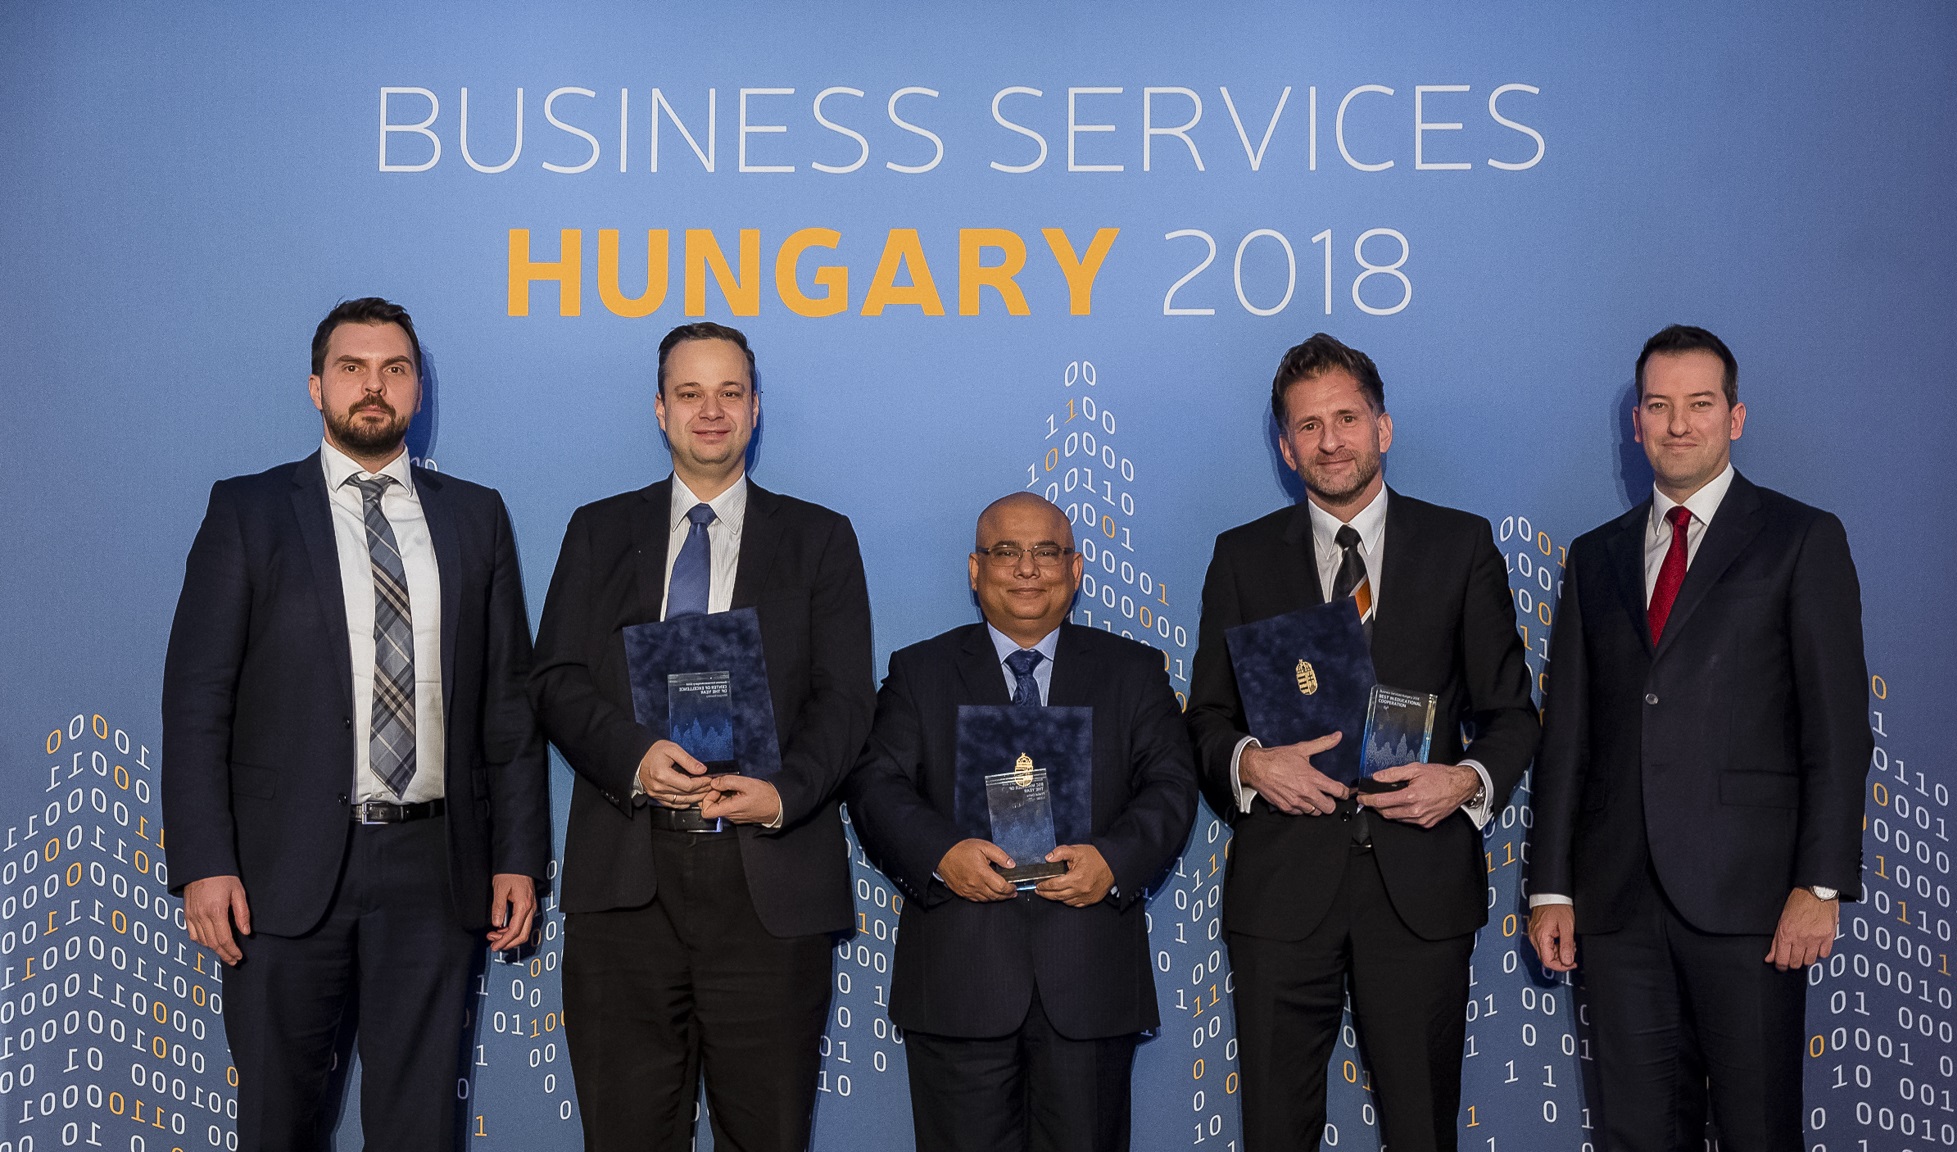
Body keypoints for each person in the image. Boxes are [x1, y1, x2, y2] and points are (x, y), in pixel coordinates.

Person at [162, 297, 550, 1151]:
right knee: (278, 1124)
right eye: (352, 368)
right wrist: (203, 861)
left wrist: (518, 856)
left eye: (394, 369)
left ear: (417, 390)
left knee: (420, 1130)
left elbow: (508, 706)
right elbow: (196, 699)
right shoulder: (249, 511)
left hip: (436, 870)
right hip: (281, 874)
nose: (374, 386)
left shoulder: (475, 516)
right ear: (317, 387)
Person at [1186, 333, 1540, 1151]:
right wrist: (1250, 763)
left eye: (1347, 418)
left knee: (1422, 1131)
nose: (1330, 441)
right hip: (1282, 891)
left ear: (1383, 427)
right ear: (1285, 448)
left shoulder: (1460, 546)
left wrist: (1465, 781)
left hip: (1420, 887)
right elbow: (1205, 718)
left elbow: (1513, 716)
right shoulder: (1241, 557)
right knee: (1276, 1133)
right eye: (1308, 426)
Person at [530, 322, 874, 1152]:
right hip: (628, 879)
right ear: (660, 409)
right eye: (690, 393)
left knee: (767, 1134)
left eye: (729, 393)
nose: (710, 411)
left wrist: (782, 793)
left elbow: (845, 702)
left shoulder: (820, 538)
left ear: (756, 409)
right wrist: (635, 757)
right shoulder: (598, 530)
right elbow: (555, 680)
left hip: (768, 883)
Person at [1525, 325, 1869, 1151]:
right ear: (1636, 423)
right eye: (1659, 405)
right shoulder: (1595, 557)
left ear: (1735, 418)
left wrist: (1820, 885)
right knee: (1637, 1134)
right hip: (1616, 907)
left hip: (1753, 903)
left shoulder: (1801, 538)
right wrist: (1551, 888)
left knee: (1758, 1131)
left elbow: (1837, 728)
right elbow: (1567, 734)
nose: (1678, 424)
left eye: (1700, 404)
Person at [845, 492, 1197, 1152]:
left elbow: (1172, 787)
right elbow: (874, 784)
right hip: (959, 984)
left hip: (1089, 981)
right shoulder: (919, 671)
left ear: (1076, 569)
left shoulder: (1134, 670)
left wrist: (1114, 861)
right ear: (975, 569)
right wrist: (941, 854)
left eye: (1046, 552)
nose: (1028, 568)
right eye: (1006, 551)